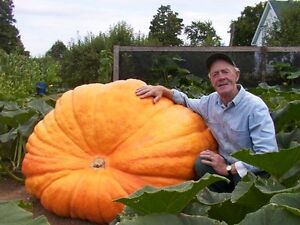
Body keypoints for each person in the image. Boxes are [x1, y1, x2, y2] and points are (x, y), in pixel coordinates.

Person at [135, 53, 278, 192]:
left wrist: (229, 169)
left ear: (236, 75)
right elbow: (187, 101)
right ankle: (220, 201)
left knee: (244, 181)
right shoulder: (211, 102)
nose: (221, 77)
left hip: (252, 171)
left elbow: (267, 155)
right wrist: (163, 90)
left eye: (225, 72)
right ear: (211, 79)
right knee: (202, 163)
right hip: (226, 163)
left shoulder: (254, 107)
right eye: (215, 74)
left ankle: (241, 205)